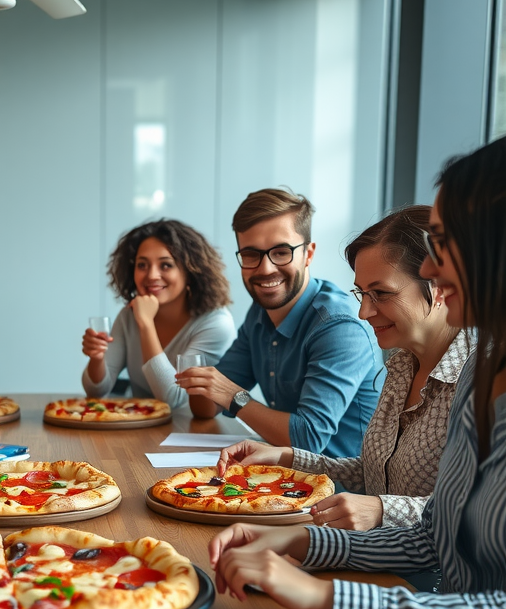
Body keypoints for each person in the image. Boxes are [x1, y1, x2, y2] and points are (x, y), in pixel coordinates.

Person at [209, 139, 506, 609]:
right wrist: (299, 542)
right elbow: (436, 534)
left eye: (444, 243)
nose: (434, 270)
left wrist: (327, 595)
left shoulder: (466, 368)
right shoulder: (469, 373)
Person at [217, 206, 472, 530]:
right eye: (362, 293)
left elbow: (472, 516)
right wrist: (285, 458)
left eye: (380, 293)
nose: (364, 311)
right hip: (374, 550)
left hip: (425, 576)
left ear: (438, 285)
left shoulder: (480, 377)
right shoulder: (402, 365)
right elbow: (374, 475)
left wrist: (382, 511)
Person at [175, 188, 383, 458]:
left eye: (281, 252)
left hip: (340, 491)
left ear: (308, 254)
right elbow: (206, 408)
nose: (265, 269)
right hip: (283, 477)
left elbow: (307, 439)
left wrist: (231, 394)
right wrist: (202, 378)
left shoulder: (339, 327)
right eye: (251, 254)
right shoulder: (260, 311)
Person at [80, 219, 236, 410]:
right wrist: (97, 358)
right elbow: (96, 391)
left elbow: (174, 399)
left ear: (190, 271)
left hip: (195, 434)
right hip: (141, 431)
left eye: (166, 265)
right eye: (142, 265)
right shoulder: (129, 316)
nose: (152, 275)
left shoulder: (215, 323)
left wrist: (146, 325)